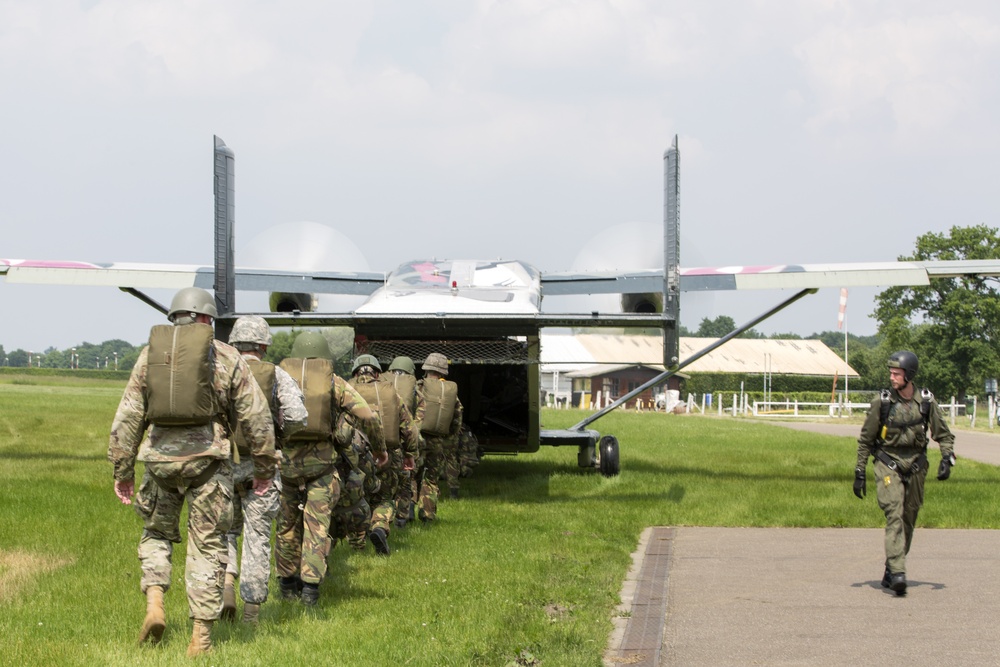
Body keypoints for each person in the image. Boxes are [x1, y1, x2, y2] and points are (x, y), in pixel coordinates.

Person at [108, 287, 277, 657]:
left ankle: (155, 601)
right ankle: (200, 637)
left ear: (175, 316)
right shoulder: (228, 357)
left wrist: (123, 471)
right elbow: (256, 417)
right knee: (208, 546)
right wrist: (264, 466)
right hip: (208, 465)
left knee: (156, 533)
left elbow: (128, 417)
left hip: (159, 465)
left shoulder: (149, 357)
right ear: (207, 318)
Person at [275, 331, 386, 606]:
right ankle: (310, 591)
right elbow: (367, 415)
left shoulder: (279, 380)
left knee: (286, 526)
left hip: (286, 468)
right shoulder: (333, 383)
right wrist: (380, 448)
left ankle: (287, 586)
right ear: (324, 356)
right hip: (321, 469)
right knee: (317, 527)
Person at [223, 315, 307, 624]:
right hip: (263, 466)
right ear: (263, 345)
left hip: (225, 464)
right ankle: (251, 614)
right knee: (257, 536)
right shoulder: (277, 375)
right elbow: (298, 415)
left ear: (234, 343)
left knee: (226, 531)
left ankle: (226, 585)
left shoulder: (221, 370)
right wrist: (278, 436)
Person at [854, 350, 956, 595]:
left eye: (896, 373)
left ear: (909, 375)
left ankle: (891, 567)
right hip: (887, 463)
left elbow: (943, 434)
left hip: (917, 465)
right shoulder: (883, 402)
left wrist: (946, 458)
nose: (892, 377)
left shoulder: (927, 402)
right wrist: (859, 470)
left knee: (909, 518)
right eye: (890, 373)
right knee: (894, 513)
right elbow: (866, 439)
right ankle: (899, 571)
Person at [347, 354, 418, 555]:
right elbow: (409, 428)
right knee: (384, 497)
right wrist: (410, 454)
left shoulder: (347, 390)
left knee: (357, 497)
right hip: (388, 454)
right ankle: (379, 526)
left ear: (355, 373)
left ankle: (358, 543)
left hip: (356, 456)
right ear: (377, 373)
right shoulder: (391, 393)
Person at [415, 352, 463, 522]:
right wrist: (447, 434)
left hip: (417, 439)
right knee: (431, 478)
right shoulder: (449, 392)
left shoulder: (419, 387)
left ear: (426, 369)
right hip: (437, 442)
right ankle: (427, 514)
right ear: (443, 372)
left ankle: (404, 515)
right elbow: (457, 418)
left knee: (412, 476)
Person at [385, 356, 424, 528]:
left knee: (385, 479)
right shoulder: (416, 393)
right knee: (406, 478)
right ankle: (403, 517)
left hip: (382, 440)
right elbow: (418, 422)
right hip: (403, 440)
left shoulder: (381, 385)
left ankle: (380, 518)